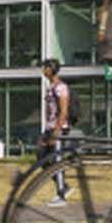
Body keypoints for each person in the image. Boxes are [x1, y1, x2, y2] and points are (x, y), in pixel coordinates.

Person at [40, 60, 74, 206]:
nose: (43, 70)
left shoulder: (61, 87)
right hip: (49, 128)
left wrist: (57, 131)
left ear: (52, 69)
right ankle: (64, 186)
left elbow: (63, 111)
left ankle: (61, 195)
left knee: (57, 161)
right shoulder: (50, 87)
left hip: (58, 129)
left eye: (45, 67)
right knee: (41, 157)